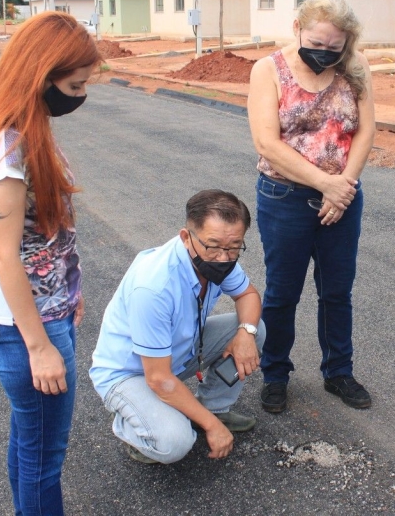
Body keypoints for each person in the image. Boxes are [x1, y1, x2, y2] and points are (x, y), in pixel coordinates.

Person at [0, 11, 101, 515]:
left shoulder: (25, 129)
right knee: (43, 459)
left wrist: (70, 291)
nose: (81, 95)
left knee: (30, 443)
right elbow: (4, 254)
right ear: (42, 76)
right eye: (75, 84)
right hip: (26, 326)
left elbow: (47, 237)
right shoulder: (8, 149)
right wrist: (39, 346)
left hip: (43, 314)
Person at [246, 0, 376, 414]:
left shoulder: (355, 68)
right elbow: (267, 141)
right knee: (283, 292)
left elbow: (365, 131)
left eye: (332, 47)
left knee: (337, 291)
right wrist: (327, 184)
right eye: (316, 43)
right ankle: (275, 374)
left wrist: (345, 186)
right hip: (285, 196)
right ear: (297, 27)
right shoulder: (268, 71)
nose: (323, 53)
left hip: (343, 195)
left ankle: (338, 371)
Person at [89, 190, 266, 464]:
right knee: (174, 443)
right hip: (132, 373)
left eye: (234, 247)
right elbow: (158, 378)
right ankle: (131, 423)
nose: (223, 257)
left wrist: (246, 334)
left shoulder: (218, 255)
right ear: (186, 237)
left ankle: (214, 408)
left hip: (174, 355)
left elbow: (248, 295)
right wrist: (212, 428)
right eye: (214, 246)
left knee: (253, 328)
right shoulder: (154, 286)